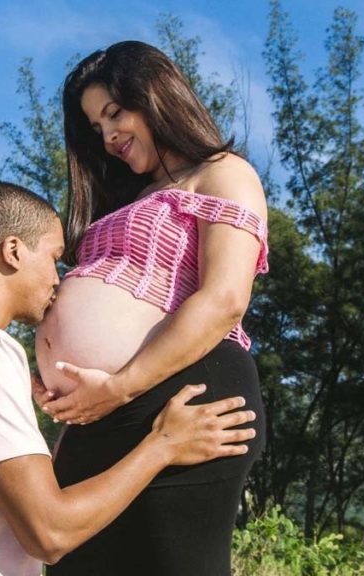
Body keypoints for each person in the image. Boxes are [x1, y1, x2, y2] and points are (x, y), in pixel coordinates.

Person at [0, 181, 258, 576]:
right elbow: (49, 534)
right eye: (54, 257)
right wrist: (162, 445)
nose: (59, 280)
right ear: (13, 251)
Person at [34, 40, 270, 575]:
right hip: (104, 414)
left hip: (183, 392)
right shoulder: (128, 198)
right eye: (96, 127)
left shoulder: (223, 173)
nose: (109, 135)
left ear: (156, 93)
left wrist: (119, 384)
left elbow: (226, 298)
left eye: (115, 113)